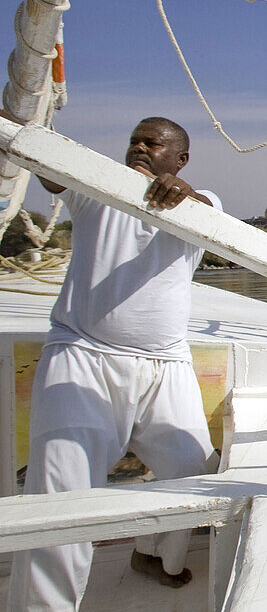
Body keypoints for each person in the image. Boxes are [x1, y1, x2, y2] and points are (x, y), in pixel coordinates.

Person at [8, 117, 221, 610]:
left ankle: (151, 555)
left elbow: (208, 210)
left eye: (154, 143)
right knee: (63, 501)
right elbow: (46, 159)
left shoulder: (201, 202)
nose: (140, 148)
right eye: (134, 141)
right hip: (83, 354)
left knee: (195, 476)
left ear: (180, 159)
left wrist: (184, 195)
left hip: (165, 364)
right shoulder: (95, 185)